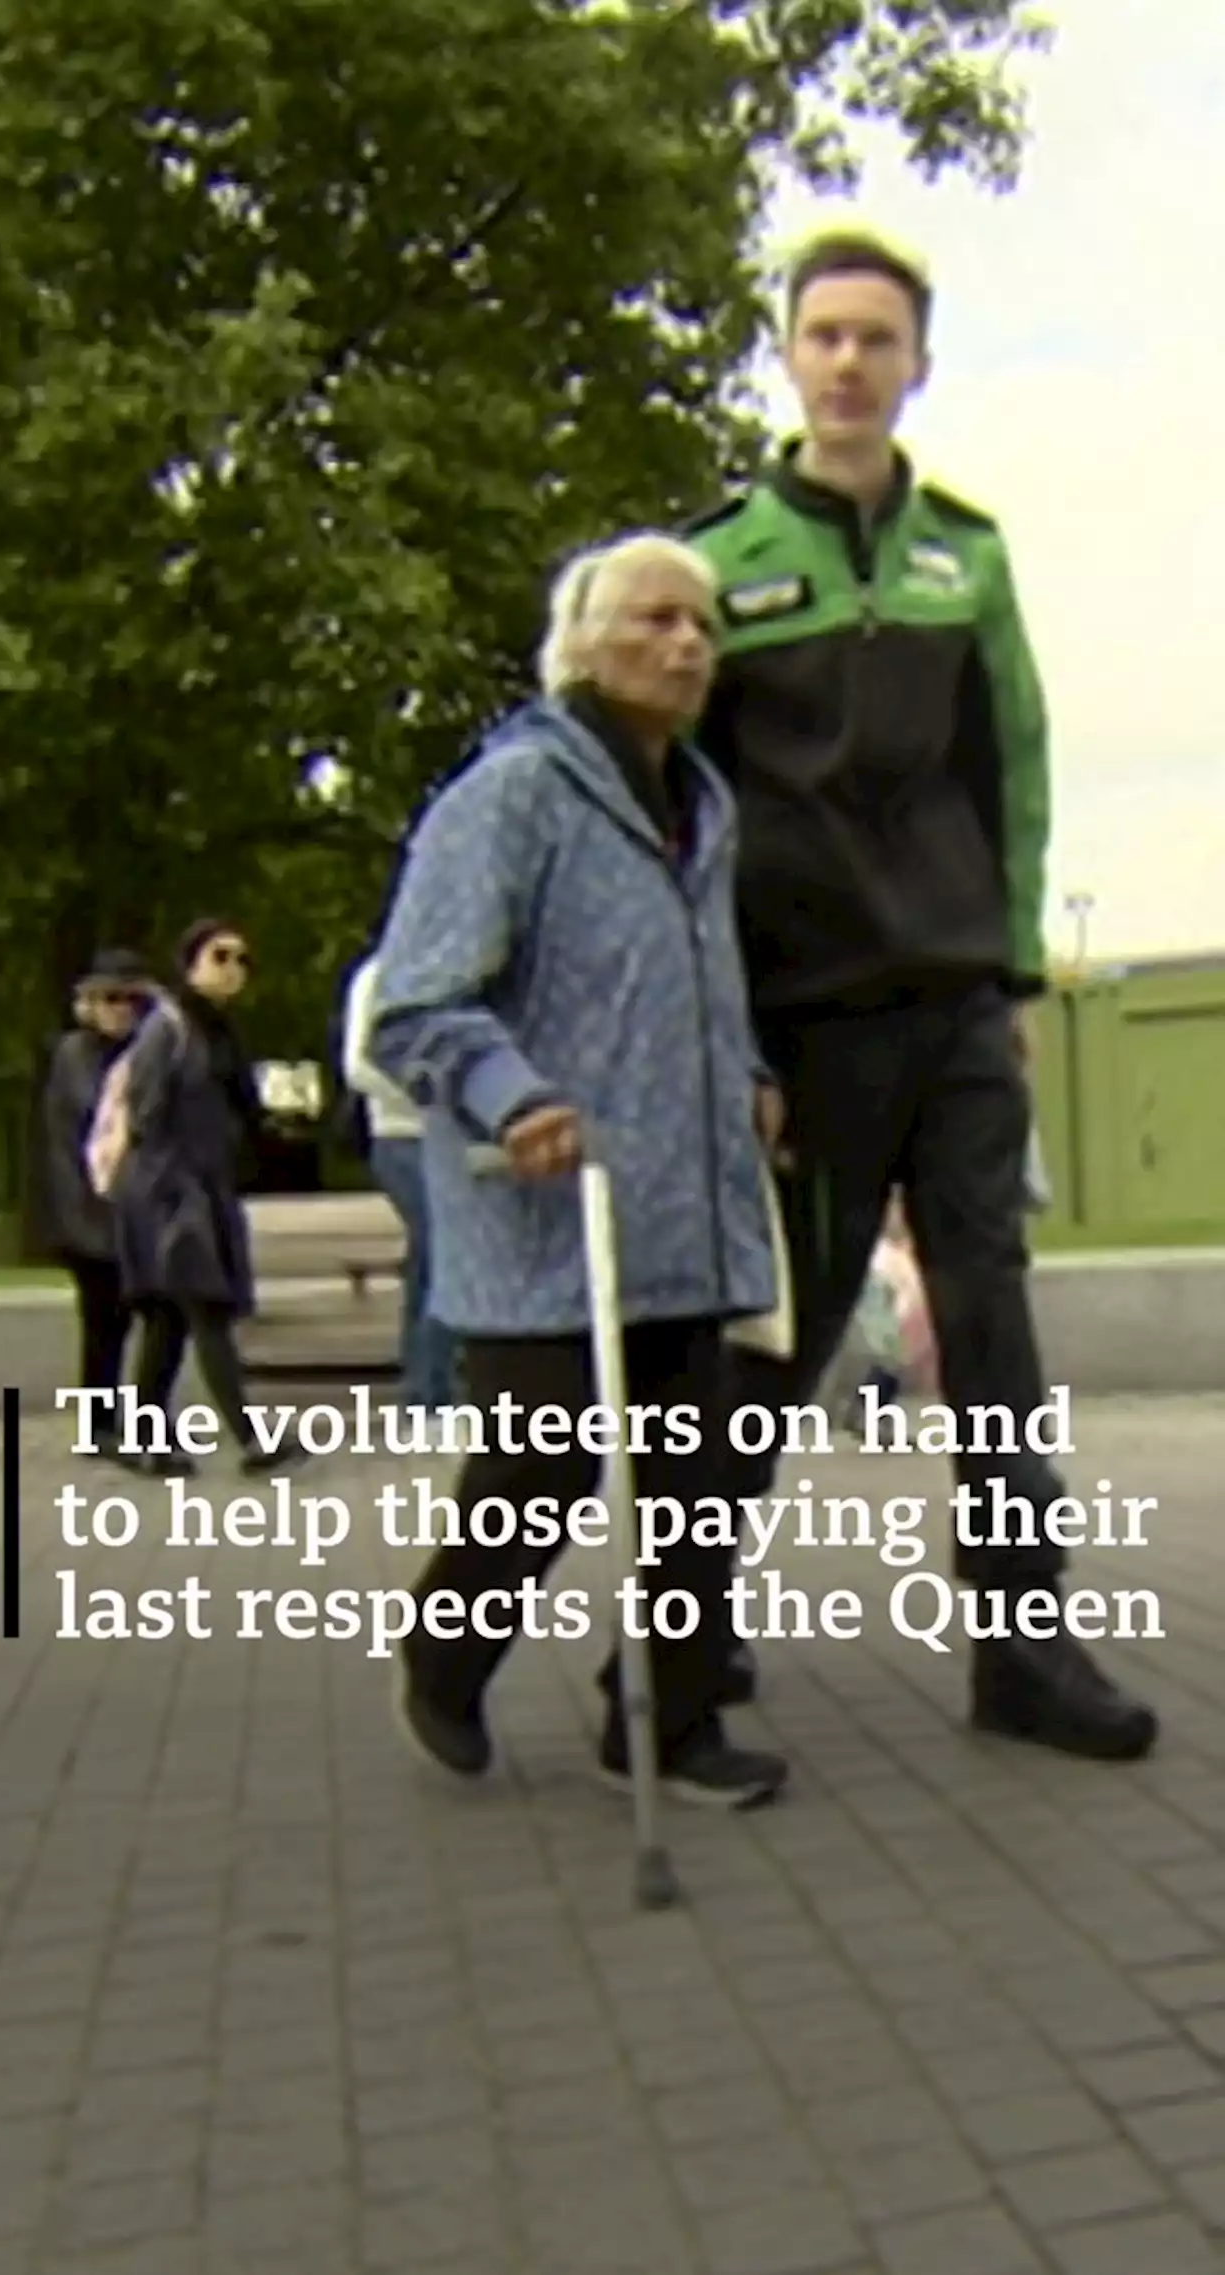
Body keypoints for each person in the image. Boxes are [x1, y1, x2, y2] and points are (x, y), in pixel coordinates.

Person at [684, 224, 1157, 1761]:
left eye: (876, 338)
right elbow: (691, 823)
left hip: (956, 1007)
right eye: (823, 334)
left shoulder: (974, 552)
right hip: (807, 1027)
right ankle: (680, 1652)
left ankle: (1024, 1651)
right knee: (782, 1336)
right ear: (790, 355)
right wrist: (727, 1029)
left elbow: (1011, 767)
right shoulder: (722, 564)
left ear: (917, 364)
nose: (848, 362)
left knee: (991, 1333)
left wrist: (1013, 969)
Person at [370, 531, 789, 1809]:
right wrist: (513, 1096)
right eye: (655, 620)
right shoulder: (513, 795)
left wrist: (753, 1072)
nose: (685, 646)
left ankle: (666, 1722)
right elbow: (418, 1000)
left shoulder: (701, 809)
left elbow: (696, 987)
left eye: (703, 626)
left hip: (687, 1211)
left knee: (700, 1476)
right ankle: (443, 1660)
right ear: (581, 644)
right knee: (537, 1472)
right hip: (557, 1207)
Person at [108, 918, 308, 1477]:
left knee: (171, 1322)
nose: (234, 970)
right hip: (171, 1192)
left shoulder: (219, 1032)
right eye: (220, 956)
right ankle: (251, 1438)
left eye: (242, 959)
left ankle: (145, 1440)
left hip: (204, 1188)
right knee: (205, 1309)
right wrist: (178, 1191)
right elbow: (146, 1119)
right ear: (190, 962)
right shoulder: (167, 1031)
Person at [342, 941, 460, 1444]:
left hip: (449, 1136)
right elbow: (359, 1064)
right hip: (400, 1134)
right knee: (439, 1249)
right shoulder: (379, 975)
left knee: (434, 1259)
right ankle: (430, 1397)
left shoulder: (454, 968)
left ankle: (432, 1390)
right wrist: (425, 1092)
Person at [40, 947, 152, 1451]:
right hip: (87, 1210)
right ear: (88, 1003)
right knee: (104, 1320)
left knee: (128, 1319)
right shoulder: (77, 1055)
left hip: (123, 1210)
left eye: (132, 999)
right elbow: (100, 1113)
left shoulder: (139, 1052)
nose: (122, 1009)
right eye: (111, 998)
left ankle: (116, 1419)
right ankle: (99, 1422)